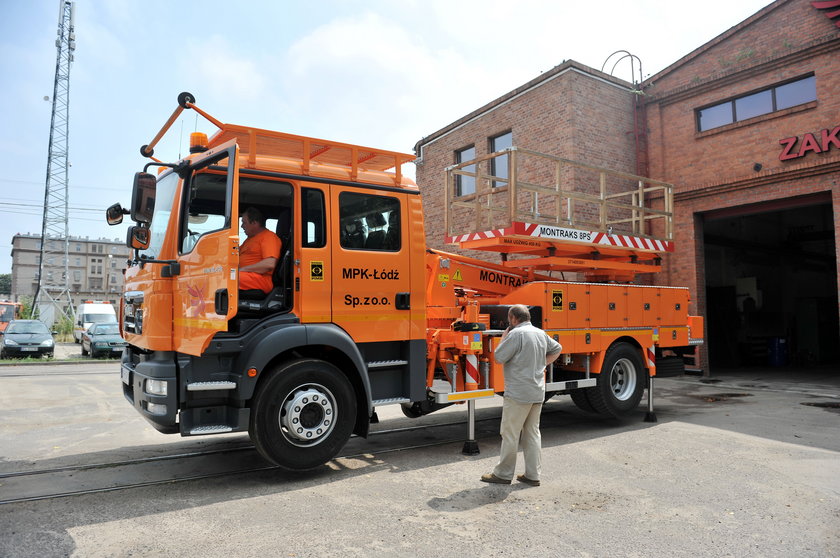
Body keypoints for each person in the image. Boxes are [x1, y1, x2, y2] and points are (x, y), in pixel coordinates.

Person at [481, 304, 562, 487]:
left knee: (510, 434)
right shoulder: (540, 333)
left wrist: (503, 338)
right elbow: (557, 348)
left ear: (513, 319)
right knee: (532, 433)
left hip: (518, 393)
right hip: (537, 391)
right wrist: (543, 363)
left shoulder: (516, 334)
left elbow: (499, 357)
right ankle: (533, 475)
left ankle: (503, 474)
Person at [239, 207, 282, 294]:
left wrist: (241, 269)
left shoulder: (269, 237)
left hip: (260, 279)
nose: (242, 226)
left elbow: (269, 264)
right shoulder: (249, 239)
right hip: (247, 276)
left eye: (244, 222)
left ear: (254, 223)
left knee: (226, 277)